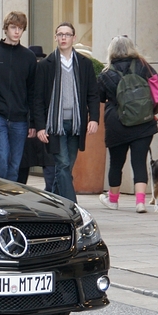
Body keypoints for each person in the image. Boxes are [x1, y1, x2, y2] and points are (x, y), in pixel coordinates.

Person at [33, 22, 99, 203]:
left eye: (67, 34)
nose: (63, 38)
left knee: (67, 166)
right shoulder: (46, 65)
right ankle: (74, 207)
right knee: (62, 164)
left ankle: (52, 200)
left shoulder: (85, 64)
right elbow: (37, 98)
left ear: (74, 38)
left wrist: (94, 118)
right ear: (55, 38)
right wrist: (39, 127)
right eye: (60, 34)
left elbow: (93, 93)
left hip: (77, 123)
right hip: (56, 123)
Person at [97, 36, 158, 213]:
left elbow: (100, 96)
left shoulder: (106, 73)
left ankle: (113, 200)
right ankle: (140, 202)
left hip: (117, 123)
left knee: (116, 163)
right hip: (143, 122)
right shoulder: (143, 66)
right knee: (139, 162)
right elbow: (157, 88)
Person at [0, 11, 37, 181]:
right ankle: (0, 194)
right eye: (13, 27)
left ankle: (10, 199)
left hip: (20, 118)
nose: (17, 31)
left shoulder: (29, 57)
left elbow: (33, 91)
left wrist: (32, 121)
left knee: (15, 163)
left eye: (20, 28)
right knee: (2, 158)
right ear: (6, 28)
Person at [17, 45, 55, 191]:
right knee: (46, 165)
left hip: (36, 125)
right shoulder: (45, 74)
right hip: (35, 125)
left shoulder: (44, 75)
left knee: (24, 165)